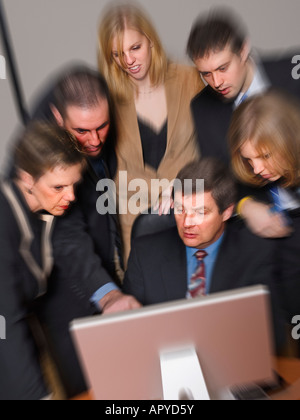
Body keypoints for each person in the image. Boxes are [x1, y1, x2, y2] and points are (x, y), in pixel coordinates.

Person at [31, 67, 141, 398]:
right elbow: (65, 236)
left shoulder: (100, 108)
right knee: (88, 384)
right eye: (82, 131)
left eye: (101, 127)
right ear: (57, 117)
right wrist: (107, 293)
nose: (94, 140)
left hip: (106, 248)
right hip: (61, 280)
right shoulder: (39, 151)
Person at [123, 158, 285, 352]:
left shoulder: (255, 252)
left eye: (200, 212)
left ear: (226, 212)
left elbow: (271, 336)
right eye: (180, 209)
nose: (187, 222)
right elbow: (129, 334)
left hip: (232, 363)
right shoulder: (145, 252)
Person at [98, 3, 204, 264]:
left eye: (135, 47)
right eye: (117, 54)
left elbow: (218, 148)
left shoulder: (191, 80)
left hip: (193, 212)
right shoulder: (106, 102)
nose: (129, 61)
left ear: (151, 41)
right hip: (136, 226)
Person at [186, 7, 300, 238]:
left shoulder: (292, 72)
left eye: (222, 68)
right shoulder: (202, 108)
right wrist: (245, 206)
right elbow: (218, 176)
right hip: (259, 232)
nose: (216, 82)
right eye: (205, 74)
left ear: (243, 49)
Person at [0, 122, 85, 400]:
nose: (70, 196)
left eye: (74, 184)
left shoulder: (42, 211)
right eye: (59, 186)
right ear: (27, 178)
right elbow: (6, 319)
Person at [229, 91, 300, 349]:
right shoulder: (248, 175)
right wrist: (245, 207)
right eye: (249, 159)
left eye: (265, 156)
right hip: (274, 313)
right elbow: (228, 187)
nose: (256, 168)